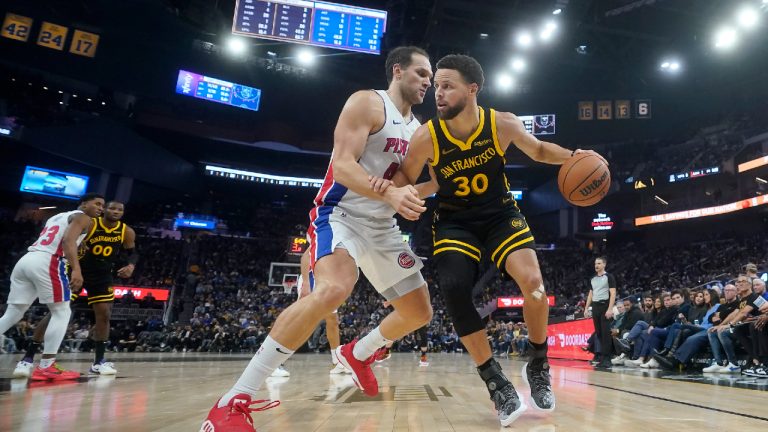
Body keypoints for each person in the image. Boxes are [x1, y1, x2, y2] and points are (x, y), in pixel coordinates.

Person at [201, 46, 435, 431]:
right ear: (397, 70)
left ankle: (357, 353)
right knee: (334, 289)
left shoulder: (417, 131)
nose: (427, 81)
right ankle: (233, 400)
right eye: (421, 73)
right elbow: (342, 167)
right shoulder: (367, 103)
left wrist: (429, 188)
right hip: (340, 214)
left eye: (430, 76)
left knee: (419, 312)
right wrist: (391, 193)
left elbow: (405, 183)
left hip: (382, 226)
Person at [375, 54, 605, 426]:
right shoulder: (426, 137)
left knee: (533, 286)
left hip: (500, 215)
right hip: (455, 222)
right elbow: (404, 179)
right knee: (452, 287)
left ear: (472, 88)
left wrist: (574, 157)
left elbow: (540, 150)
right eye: (436, 86)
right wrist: (391, 192)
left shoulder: (501, 124)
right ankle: (494, 380)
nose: (439, 93)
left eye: (447, 85)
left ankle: (538, 362)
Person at [15, 201, 137, 376]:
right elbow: (69, 240)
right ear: (105, 210)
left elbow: (133, 252)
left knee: (104, 315)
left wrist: (131, 265)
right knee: (57, 312)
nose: (115, 212)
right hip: (76, 271)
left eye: (119, 209)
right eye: (111, 208)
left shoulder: (126, 231)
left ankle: (98, 362)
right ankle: (28, 358)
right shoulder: (91, 222)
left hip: (102, 275)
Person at [1, 193, 104, 380]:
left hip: (26, 260)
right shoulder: (83, 217)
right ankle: (47, 366)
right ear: (84, 204)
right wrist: (76, 270)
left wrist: (81, 243)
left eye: (102, 205)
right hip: (48, 261)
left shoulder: (58, 216)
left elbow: (64, 236)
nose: (100, 208)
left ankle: (44, 364)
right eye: (97, 204)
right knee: (62, 312)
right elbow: (67, 241)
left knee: (13, 312)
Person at [584, 256, 617, 369]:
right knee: (598, 333)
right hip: (595, 307)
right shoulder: (592, 278)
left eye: (598, 263)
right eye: (595, 264)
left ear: (604, 265)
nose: (596, 266)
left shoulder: (609, 277)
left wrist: (610, 308)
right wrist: (586, 308)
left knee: (605, 333)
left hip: (605, 306)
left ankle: (607, 358)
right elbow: (590, 294)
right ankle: (602, 356)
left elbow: (613, 293)